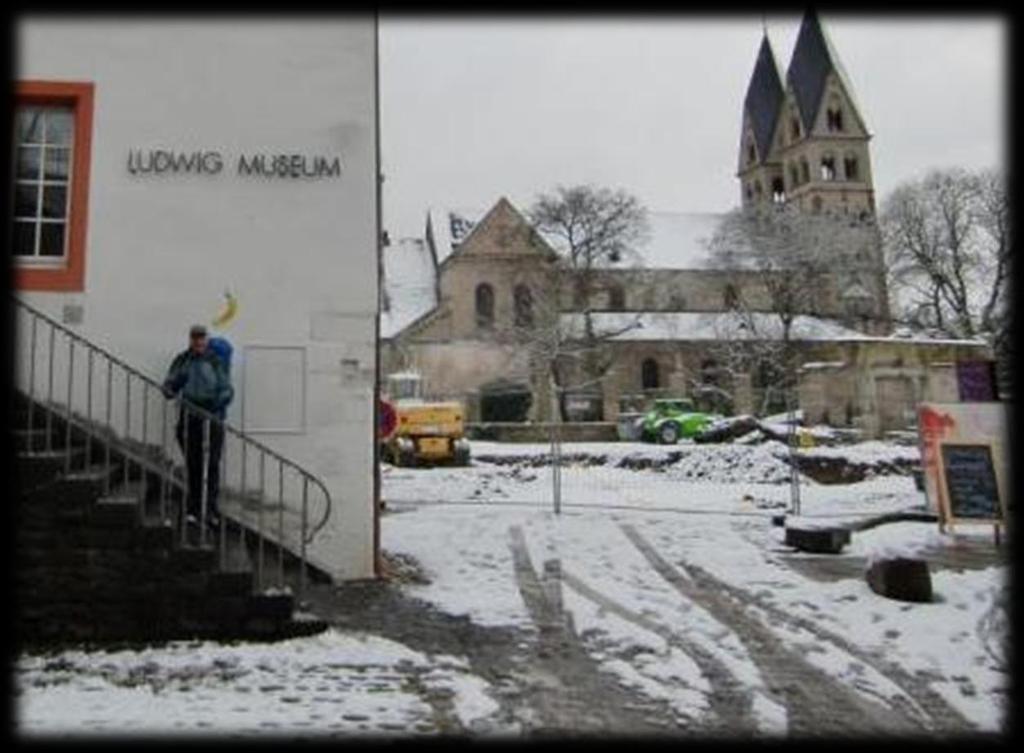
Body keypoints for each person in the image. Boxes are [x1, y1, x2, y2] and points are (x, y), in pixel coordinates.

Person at [163, 324, 234, 529]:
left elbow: (227, 389)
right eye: (194, 338)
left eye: (201, 338)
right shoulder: (182, 359)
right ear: (190, 339)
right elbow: (168, 388)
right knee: (194, 465)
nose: (198, 341)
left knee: (212, 465)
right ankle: (193, 510)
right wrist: (173, 384)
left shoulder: (215, 360)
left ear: (206, 339)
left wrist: (214, 405)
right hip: (190, 417)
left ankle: (211, 510)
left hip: (212, 418)